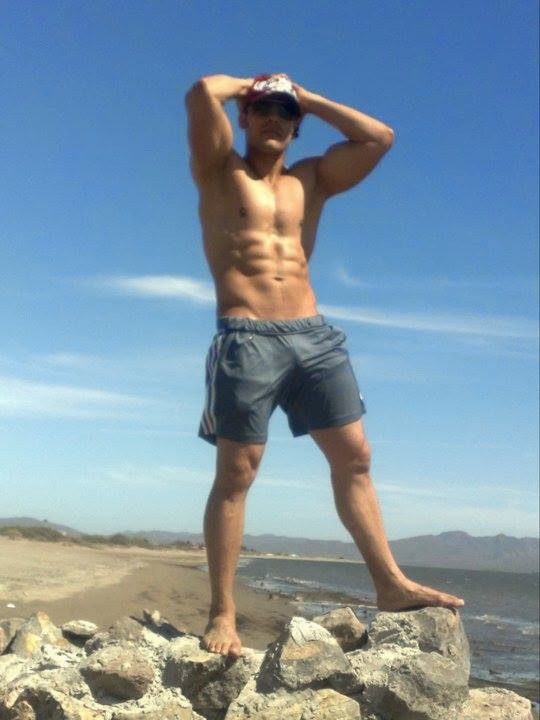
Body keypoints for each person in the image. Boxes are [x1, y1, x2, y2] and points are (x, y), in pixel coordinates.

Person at [185, 73, 464, 658]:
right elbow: (203, 91)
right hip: (247, 336)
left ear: (297, 125)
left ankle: (390, 584)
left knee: (355, 457)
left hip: (313, 336)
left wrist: (305, 96)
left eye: (284, 112)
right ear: (244, 116)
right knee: (237, 474)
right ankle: (222, 612)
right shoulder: (219, 169)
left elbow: (379, 137)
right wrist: (254, 84)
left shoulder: (311, 179)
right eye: (262, 108)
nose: (273, 117)